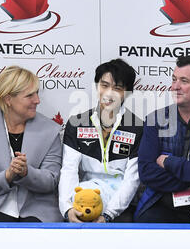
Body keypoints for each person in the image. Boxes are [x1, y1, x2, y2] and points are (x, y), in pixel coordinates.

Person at [0, 66, 63, 222]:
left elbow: (51, 181)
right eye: (29, 95)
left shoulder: (50, 130)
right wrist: (8, 175)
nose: (37, 100)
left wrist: (27, 173)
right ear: (8, 99)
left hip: (40, 212)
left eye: (37, 93)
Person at [134, 55, 190, 223]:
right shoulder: (155, 120)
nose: (175, 87)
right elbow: (146, 172)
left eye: (184, 81)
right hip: (158, 202)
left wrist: (168, 163)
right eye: (174, 80)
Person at [58, 58, 143, 223]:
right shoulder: (77, 123)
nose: (109, 93)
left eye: (117, 88)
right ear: (97, 86)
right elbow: (69, 170)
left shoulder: (137, 127)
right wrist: (68, 209)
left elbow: (131, 179)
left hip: (120, 204)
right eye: (104, 85)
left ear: (127, 92)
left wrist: (109, 214)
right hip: (84, 198)